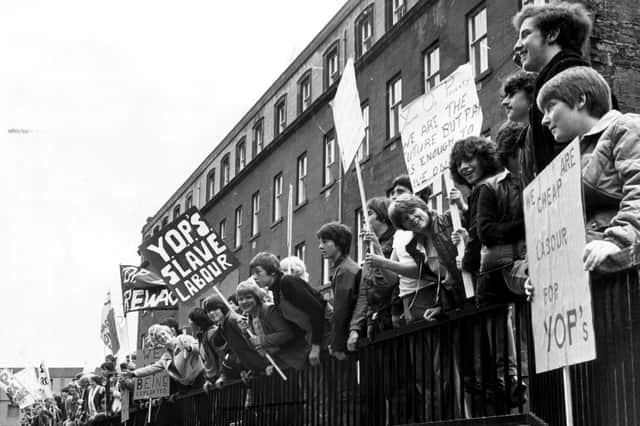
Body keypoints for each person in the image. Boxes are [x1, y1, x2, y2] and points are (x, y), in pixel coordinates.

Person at [536, 66, 640, 271]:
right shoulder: (573, 157)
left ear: (580, 100)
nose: (544, 119)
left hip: (622, 274)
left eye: (550, 107)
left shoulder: (626, 127)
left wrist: (618, 241)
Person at [512, 1, 593, 179]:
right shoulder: (560, 76)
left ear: (552, 34)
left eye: (525, 35)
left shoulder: (569, 76)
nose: (517, 46)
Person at [250, 252, 329, 366]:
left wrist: (316, 346)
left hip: (327, 333)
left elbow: (316, 310)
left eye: (258, 272)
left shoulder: (287, 282)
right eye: (253, 273)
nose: (255, 277)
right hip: (315, 338)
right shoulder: (276, 292)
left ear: (272, 272)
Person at [348, 196, 398, 350]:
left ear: (383, 215)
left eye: (369, 213)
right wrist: (357, 328)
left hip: (394, 316)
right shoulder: (370, 248)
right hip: (377, 320)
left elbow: (396, 280)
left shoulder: (397, 240)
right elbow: (366, 290)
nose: (365, 218)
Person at [236, 279, 309, 370]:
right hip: (278, 364)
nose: (244, 302)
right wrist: (245, 333)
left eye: (248, 297)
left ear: (257, 297)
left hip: (297, 360)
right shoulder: (250, 319)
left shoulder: (269, 310)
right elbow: (256, 346)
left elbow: (286, 333)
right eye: (240, 299)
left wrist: (261, 340)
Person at [316, 221, 361, 360]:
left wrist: (337, 344)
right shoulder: (344, 268)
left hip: (349, 341)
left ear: (339, 242)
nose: (320, 246)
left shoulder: (345, 270)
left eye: (325, 242)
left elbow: (341, 310)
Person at [121, 324, 204, 390]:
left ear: (169, 333)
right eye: (159, 338)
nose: (162, 338)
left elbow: (200, 347)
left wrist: (190, 347)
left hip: (200, 379)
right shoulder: (165, 357)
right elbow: (151, 368)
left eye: (163, 334)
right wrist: (133, 374)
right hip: (186, 387)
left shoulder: (182, 339)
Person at [188, 307, 222, 392]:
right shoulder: (202, 336)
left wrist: (222, 375)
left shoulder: (211, 333)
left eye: (191, 324)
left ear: (198, 324)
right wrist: (208, 379)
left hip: (221, 381)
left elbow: (221, 355)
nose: (191, 327)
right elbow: (206, 362)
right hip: (213, 382)